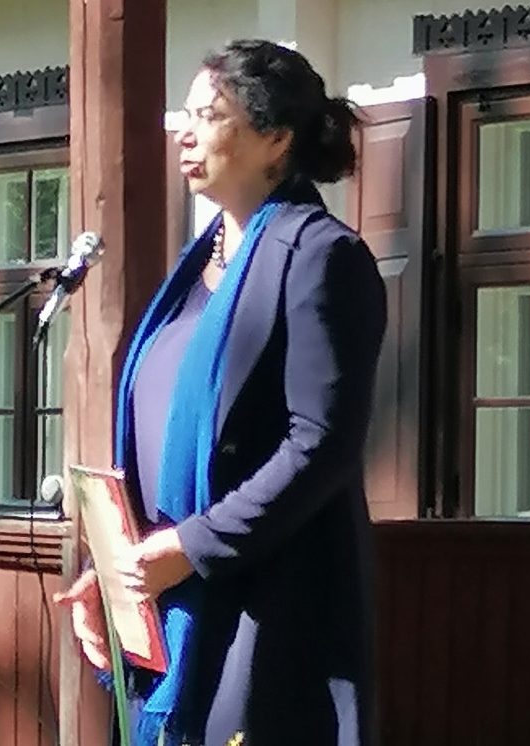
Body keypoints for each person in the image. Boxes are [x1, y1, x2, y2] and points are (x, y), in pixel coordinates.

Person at [54, 39, 386, 746]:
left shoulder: (322, 256)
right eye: (186, 114)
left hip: (266, 613)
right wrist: (115, 570)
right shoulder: (193, 268)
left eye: (209, 115)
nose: (184, 132)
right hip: (171, 604)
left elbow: (321, 443)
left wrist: (191, 547)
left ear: (276, 139)